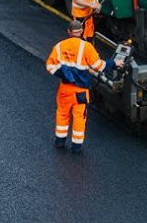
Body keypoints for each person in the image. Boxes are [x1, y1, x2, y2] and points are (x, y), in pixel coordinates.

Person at [45, 24, 106, 155]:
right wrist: (114, 64)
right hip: (81, 91)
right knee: (79, 117)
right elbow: (98, 66)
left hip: (64, 89)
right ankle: (76, 146)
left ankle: (60, 141)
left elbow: (50, 66)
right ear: (81, 32)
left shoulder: (59, 46)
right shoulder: (87, 47)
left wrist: (65, 75)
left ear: (69, 31)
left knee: (62, 113)